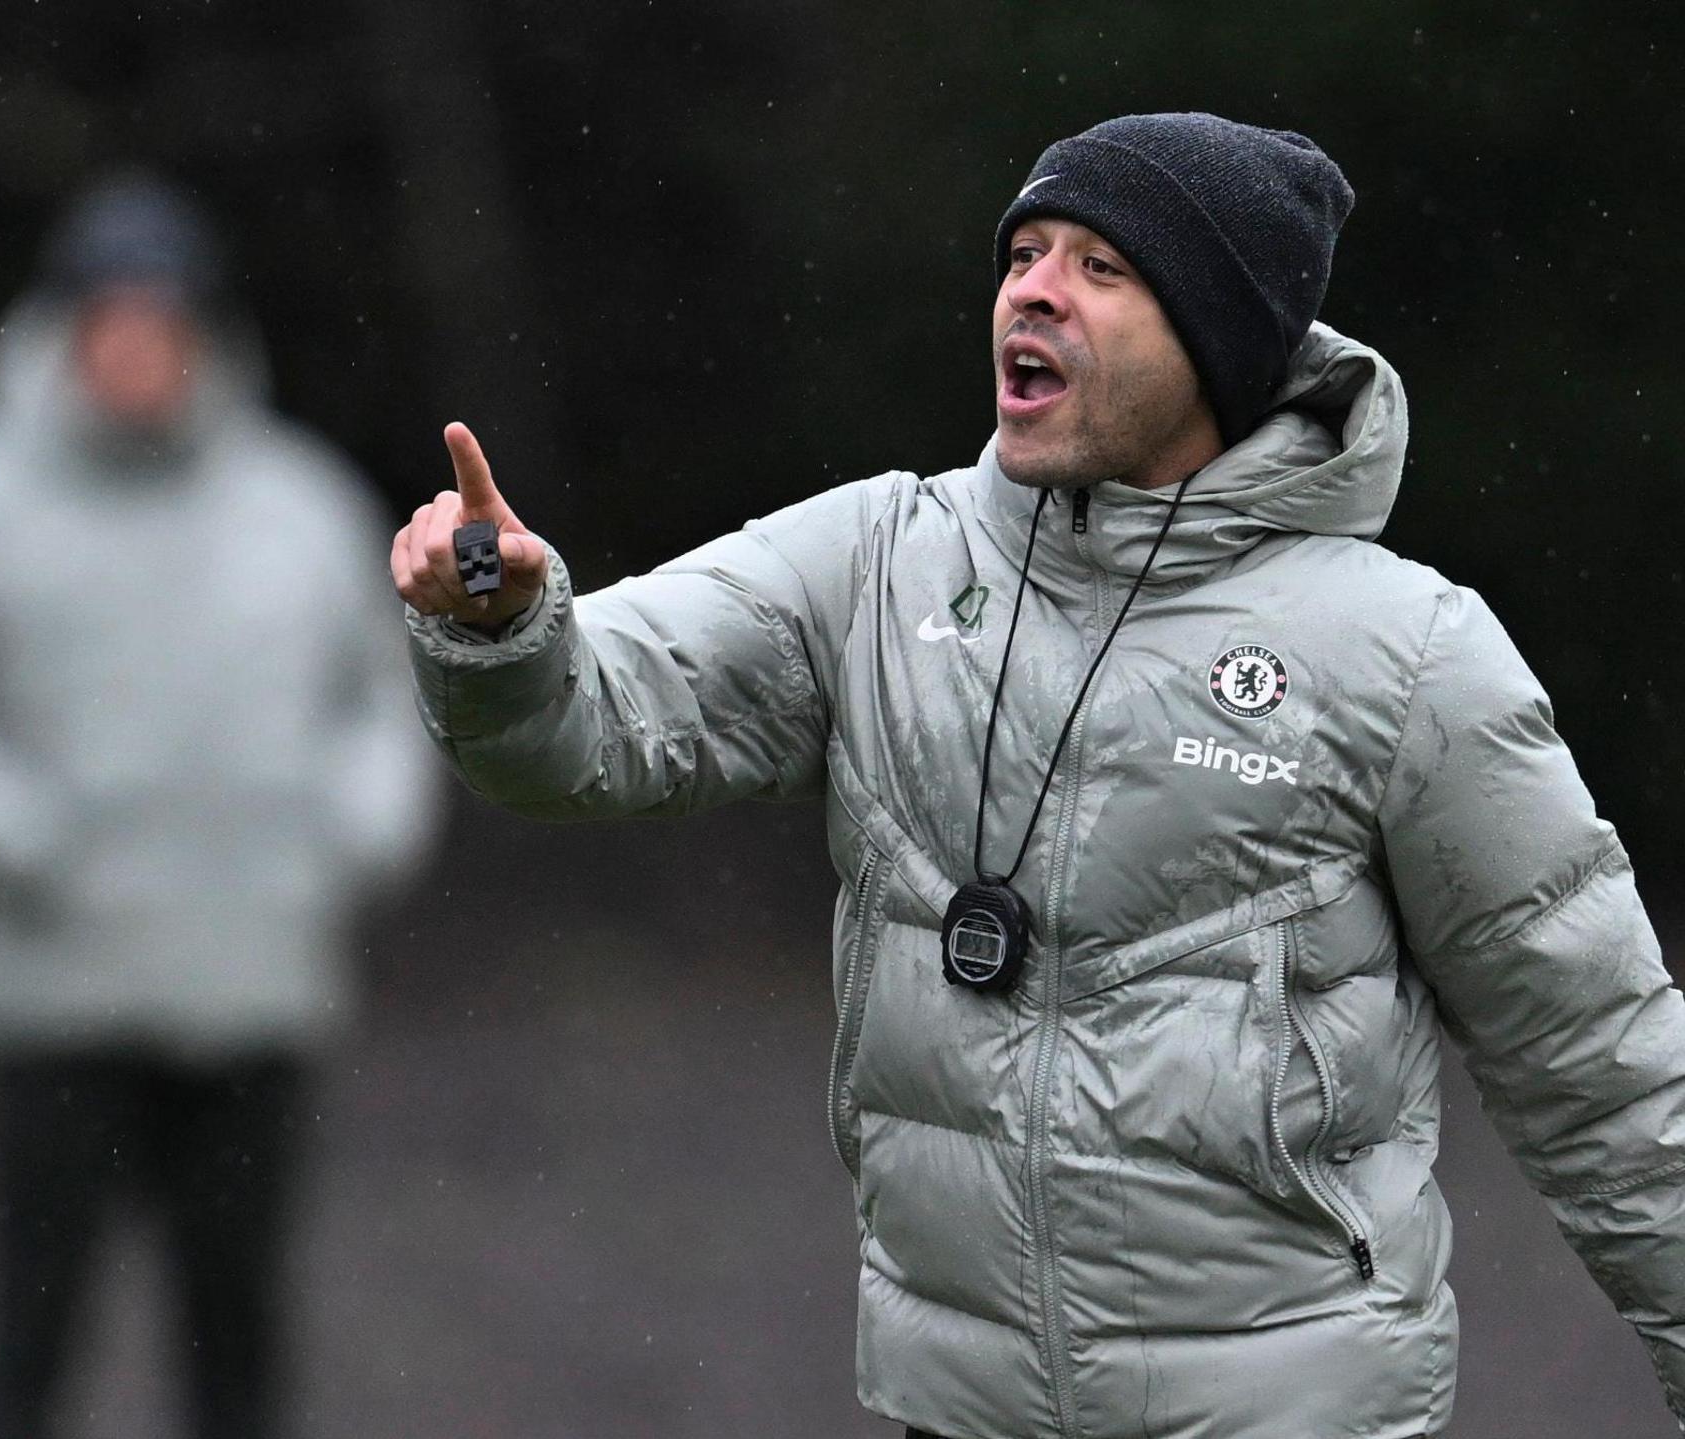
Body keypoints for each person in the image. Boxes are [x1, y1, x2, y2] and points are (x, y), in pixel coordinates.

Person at [391, 113, 1685, 1438]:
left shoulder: (1407, 651)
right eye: (1025, 251)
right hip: (958, 1407)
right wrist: (500, 624)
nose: (1034, 286)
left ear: (1220, 339)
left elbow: (1607, 1064)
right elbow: (595, 723)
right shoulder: (881, 559)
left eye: (1103, 266)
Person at [0, 174, 439, 1439]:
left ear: (203, 331)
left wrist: (356, 829)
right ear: (61, 329)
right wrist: (17, 832)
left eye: (161, 320)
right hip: (50, 1004)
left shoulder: (301, 506)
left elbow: (383, 698)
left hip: (251, 994)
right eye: (108, 319)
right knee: (24, 1342)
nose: (135, 348)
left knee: (239, 1340)